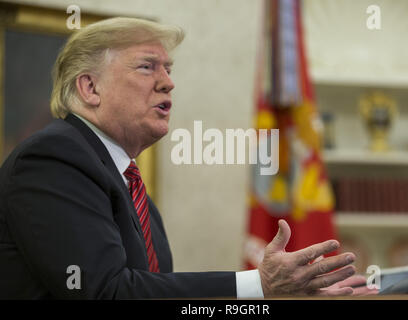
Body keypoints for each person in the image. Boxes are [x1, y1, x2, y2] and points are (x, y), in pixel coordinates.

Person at [0, 17, 371, 299]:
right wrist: (257, 286)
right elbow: (104, 291)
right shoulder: (52, 158)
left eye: (168, 69)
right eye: (148, 66)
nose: (168, 82)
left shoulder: (127, 179)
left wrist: (280, 295)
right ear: (90, 87)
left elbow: (154, 290)